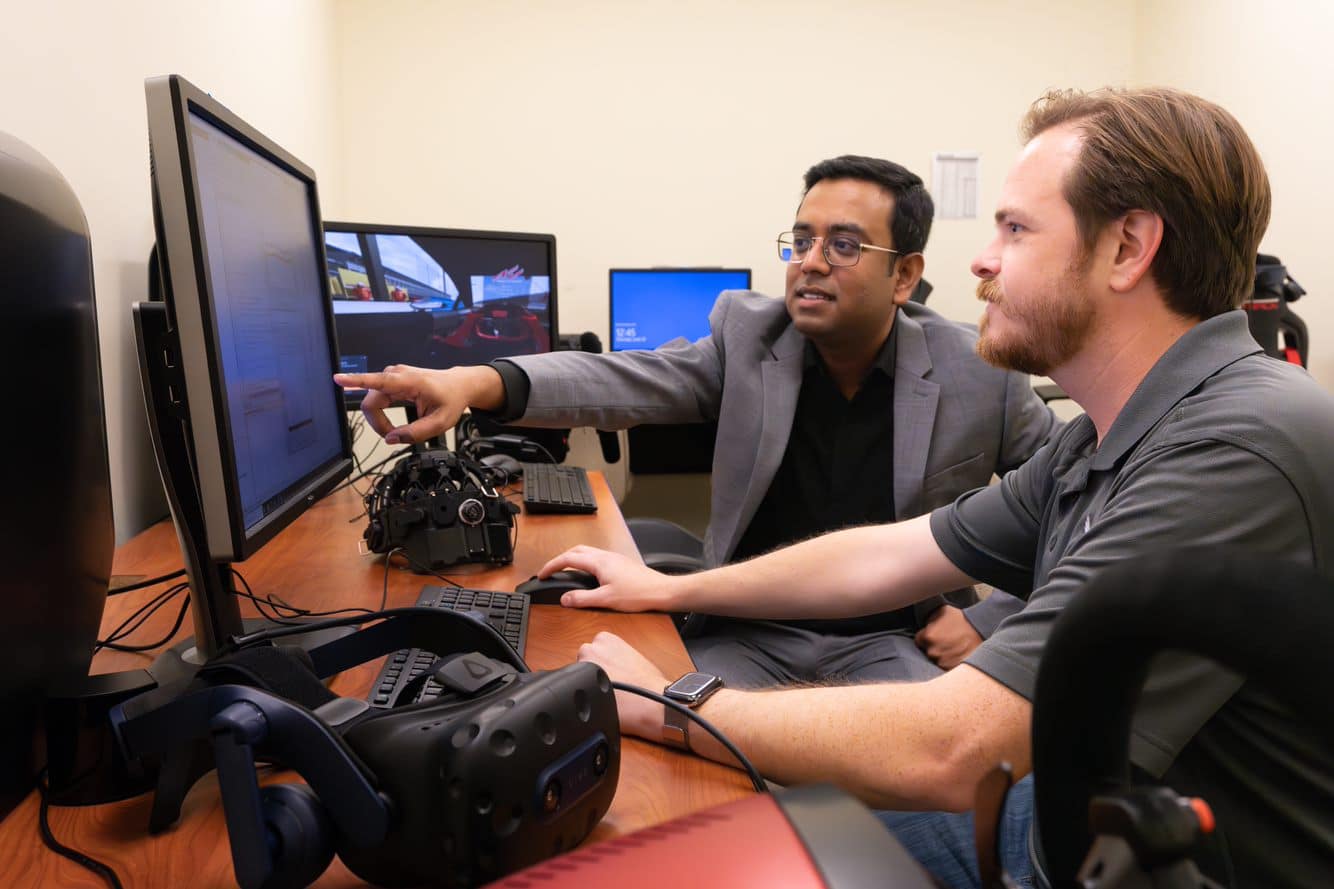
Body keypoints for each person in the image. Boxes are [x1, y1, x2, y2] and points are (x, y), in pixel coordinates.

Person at [525, 88, 1334, 887]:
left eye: (1014, 229)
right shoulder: (1105, 432)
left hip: (1139, 857)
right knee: (701, 831)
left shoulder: (1232, 444)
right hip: (1079, 815)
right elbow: (888, 555)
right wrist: (669, 584)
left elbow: (958, 748)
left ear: (1128, 248)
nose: (981, 261)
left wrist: (673, 699)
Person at [337, 155, 1058, 686]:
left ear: (904, 275)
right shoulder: (751, 338)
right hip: (749, 630)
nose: (809, 262)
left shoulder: (978, 371)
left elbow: (1081, 504)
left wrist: (990, 620)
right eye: (800, 239)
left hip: (892, 641)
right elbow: (622, 377)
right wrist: (475, 380)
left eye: (843, 245)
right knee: (669, 772)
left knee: (938, 799)